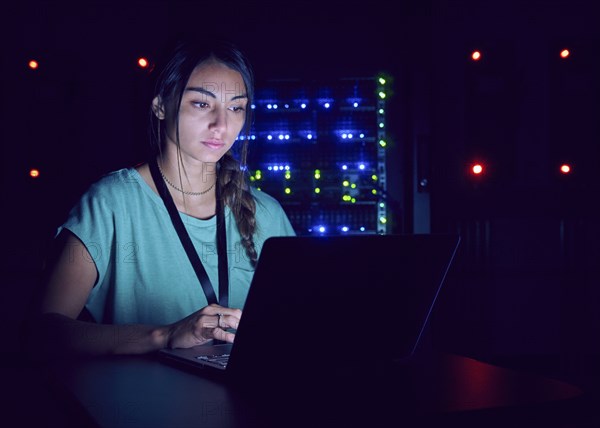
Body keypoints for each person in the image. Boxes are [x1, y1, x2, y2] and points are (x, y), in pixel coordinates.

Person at [28, 37, 296, 358]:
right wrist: (165, 335)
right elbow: (41, 332)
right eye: (201, 103)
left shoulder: (268, 213)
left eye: (236, 108)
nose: (221, 125)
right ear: (160, 105)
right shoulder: (112, 203)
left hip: (246, 404)